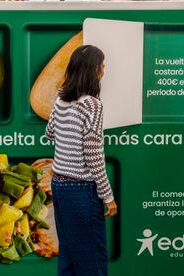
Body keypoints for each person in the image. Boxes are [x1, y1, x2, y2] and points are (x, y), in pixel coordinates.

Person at [45, 45, 117, 276]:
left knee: (68, 254)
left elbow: (50, 133)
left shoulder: (60, 100)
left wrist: (68, 133)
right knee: (92, 258)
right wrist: (109, 197)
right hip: (81, 191)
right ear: (94, 70)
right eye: (102, 65)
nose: (104, 69)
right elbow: (94, 157)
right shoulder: (92, 105)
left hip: (59, 187)